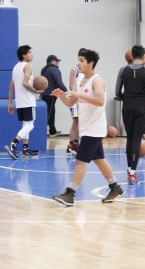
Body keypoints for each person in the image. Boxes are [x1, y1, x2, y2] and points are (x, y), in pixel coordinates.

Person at [51, 48, 124, 206]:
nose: (79, 63)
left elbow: (99, 100)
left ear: (91, 63)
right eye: (79, 60)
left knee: (80, 161)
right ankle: (115, 187)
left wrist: (79, 95)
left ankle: (70, 193)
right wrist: (61, 96)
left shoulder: (97, 80)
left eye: (82, 61)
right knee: (99, 159)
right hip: (86, 127)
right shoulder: (80, 80)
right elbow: (71, 103)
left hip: (95, 128)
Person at [115, 45, 145, 185]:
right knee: (136, 139)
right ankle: (133, 174)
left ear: (132, 55)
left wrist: (126, 98)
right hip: (141, 108)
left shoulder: (123, 70)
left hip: (127, 107)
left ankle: (130, 170)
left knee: (130, 139)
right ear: (143, 56)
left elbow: (117, 92)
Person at [4, 45, 40, 159]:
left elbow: (11, 87)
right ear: (24, 55)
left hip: (19, 101)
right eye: (30, 52)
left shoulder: (15, 67)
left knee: (26, 125)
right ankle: (13, 144)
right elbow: (25, 83)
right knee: (30, 125)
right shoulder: (27, 66)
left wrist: (10, 103)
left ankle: (26, 149)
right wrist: (36, 91)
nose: (32, 54)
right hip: (28, 100)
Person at [41, 55, 67, 137]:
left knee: (49, 112)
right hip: (51, 94)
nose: (58, 62)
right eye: (56, 61)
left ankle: (52, 131)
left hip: (44, 94)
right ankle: (41, 133)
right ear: (52, 61)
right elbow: (59, 83)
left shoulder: (44, 69)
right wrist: (67, 92)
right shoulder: (55, 70)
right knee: (49, 114)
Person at [66, 62, 82, 154]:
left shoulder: (85, 70)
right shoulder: (75, 69)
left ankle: (76, 145)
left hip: (81, 100)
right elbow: (71, 85)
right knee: (76, 121)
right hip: (74, 100)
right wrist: (75, 99)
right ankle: (71, 145)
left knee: (80, 122)